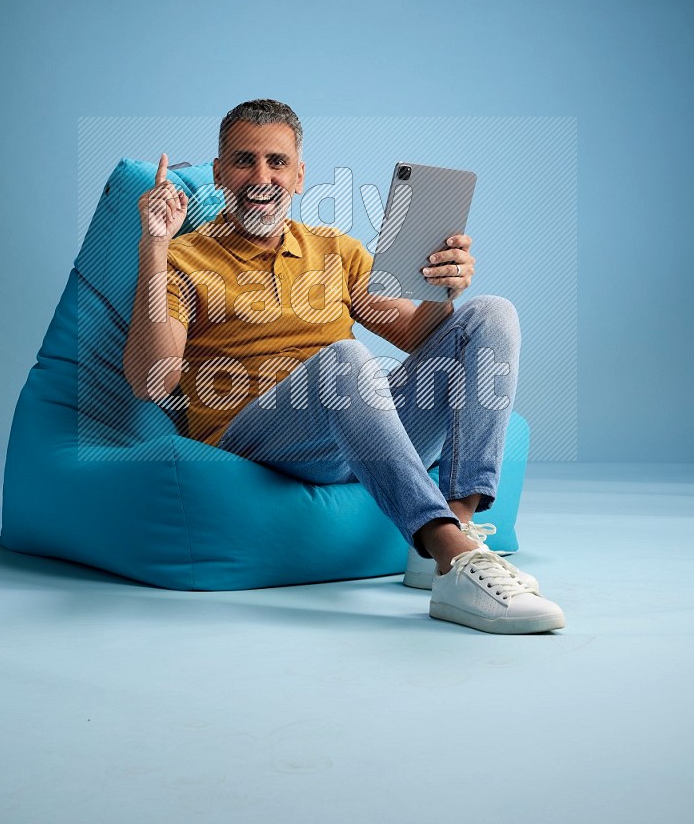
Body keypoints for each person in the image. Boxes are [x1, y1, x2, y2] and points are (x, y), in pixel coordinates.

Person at [122, 99, 565, 634]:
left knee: (492, 314)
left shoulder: (333, 250)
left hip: (358, 421)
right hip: (261, 436)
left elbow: (415, 332)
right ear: (218, 174)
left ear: (300, 175)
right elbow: (153, 379)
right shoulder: (183, 258)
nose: (261, 177)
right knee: (348, 359)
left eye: (277, 162)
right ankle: (450, 553)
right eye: (243, 161)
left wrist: (442, 292)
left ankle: (457, 532)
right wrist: (155, 243)